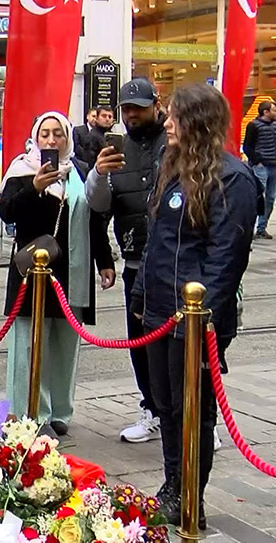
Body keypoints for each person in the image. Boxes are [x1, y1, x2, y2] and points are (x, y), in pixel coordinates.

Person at [130, 84, 259, 527]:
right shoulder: (173, 167)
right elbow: (157, 241)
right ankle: (173, 482)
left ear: (197, 122)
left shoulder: (233, 179)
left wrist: (199, 322)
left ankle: (190, 495)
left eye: (175, 116)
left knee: (192, 409)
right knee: (165, 404)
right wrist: (141, 294)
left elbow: (225, 261)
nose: (167, 123)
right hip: (159, 312)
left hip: (195, 319)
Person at [0, 111, 115, 437]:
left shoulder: (79, 172)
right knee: (29, 347)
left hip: (70, 272)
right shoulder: (22, 169)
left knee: (65, 346)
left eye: (58, 134)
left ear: (67, 138)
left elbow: (94, 219)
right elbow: (6, 211)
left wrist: (105, 261)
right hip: (31, 274)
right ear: (36, 138)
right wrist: (34, 188)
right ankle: (31, 413)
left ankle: (60, 410)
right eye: (45, 134)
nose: (51, 140)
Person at [84, 78, 167, 443]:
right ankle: (152, 409)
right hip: (135, 262)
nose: (132, 115)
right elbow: (99, 206)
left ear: (156, 106)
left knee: (181, 345)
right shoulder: (117, 148)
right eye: (127, 109)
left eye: (139, 108)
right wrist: (99, 174)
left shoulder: (171, 141)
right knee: (140, 343)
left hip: (172, 262)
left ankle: (197, 418)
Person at [242, 100, 276, 239]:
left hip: (274, 165)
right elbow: (247, 146)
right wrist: (257, 161)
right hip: (260, 166)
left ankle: (262, 228)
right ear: (265, 112)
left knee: (270, 198)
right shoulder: (253, 126)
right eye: (273, 110)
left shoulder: (275, 125)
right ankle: (250, 227)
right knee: (258, 197)